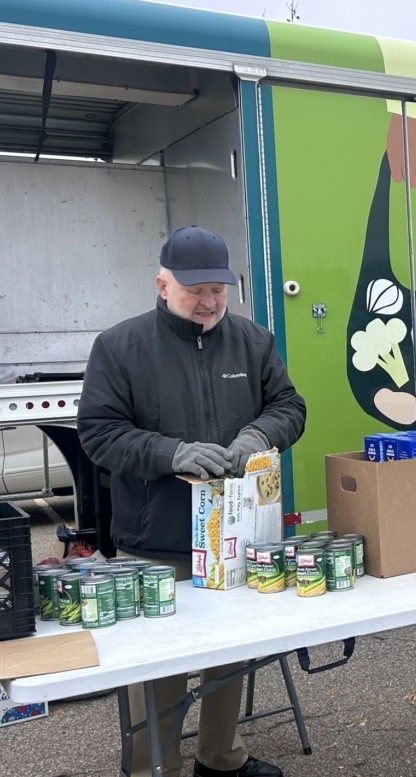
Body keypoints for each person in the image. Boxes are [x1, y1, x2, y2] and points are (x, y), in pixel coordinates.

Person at [77, 226, 306, 777]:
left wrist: (259, 435)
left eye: (218, 291)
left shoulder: (253, 341)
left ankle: (220, 758)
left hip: (235, 534)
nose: (208, 303)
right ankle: (153, 768)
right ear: (162, 284)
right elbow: (99, 433)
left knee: (229, 654)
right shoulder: (120, 347)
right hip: (156, 539)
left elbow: (289, 406)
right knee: (159, 666)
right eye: (195, 290)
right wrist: (170, 452)